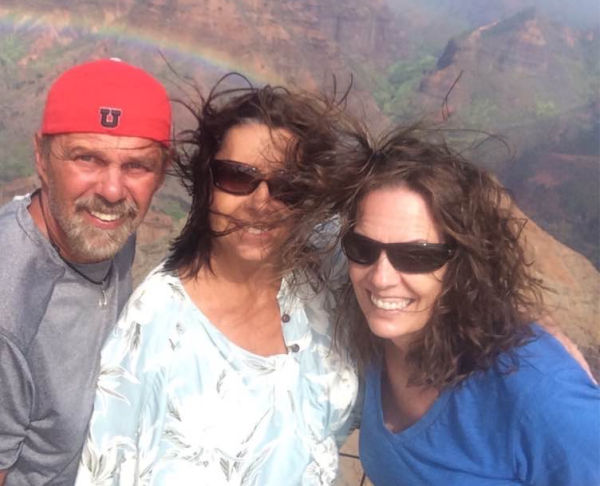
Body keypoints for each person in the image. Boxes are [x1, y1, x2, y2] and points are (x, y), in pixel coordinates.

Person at [74, 80, 360, 485]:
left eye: (287, 187)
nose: (262, 201)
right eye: (237, 177)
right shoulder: (155, 325)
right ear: (207, 183)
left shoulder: (320, 287)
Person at [330, 126, 600, 485]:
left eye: (415, 255)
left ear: (463, 263)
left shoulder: (538, 392)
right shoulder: (373, 340)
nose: (380, 277)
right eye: (362, 248)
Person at [0, 59, 172, 486]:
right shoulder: (10, 308)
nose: (112, 191)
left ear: (161, 173)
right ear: (42, 157)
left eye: (136, 166)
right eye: (87, 159)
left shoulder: (107, 232)